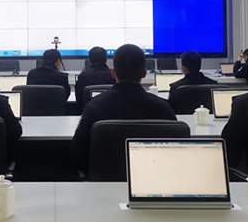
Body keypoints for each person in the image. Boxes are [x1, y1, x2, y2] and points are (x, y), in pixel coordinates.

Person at [70, 44, 177, 173]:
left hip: (105, 180)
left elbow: (77, 153)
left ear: (113, 73)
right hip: (151, 178)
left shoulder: (94, 106)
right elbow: (176, 152)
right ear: (144, 73)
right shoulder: (163, 108)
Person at [75, 47, 116, 112]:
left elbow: (79, 101)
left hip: (88, 114)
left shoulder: (82, 77)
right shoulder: (113, 76)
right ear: (106, 60)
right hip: (111, 114)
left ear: (89, 61)